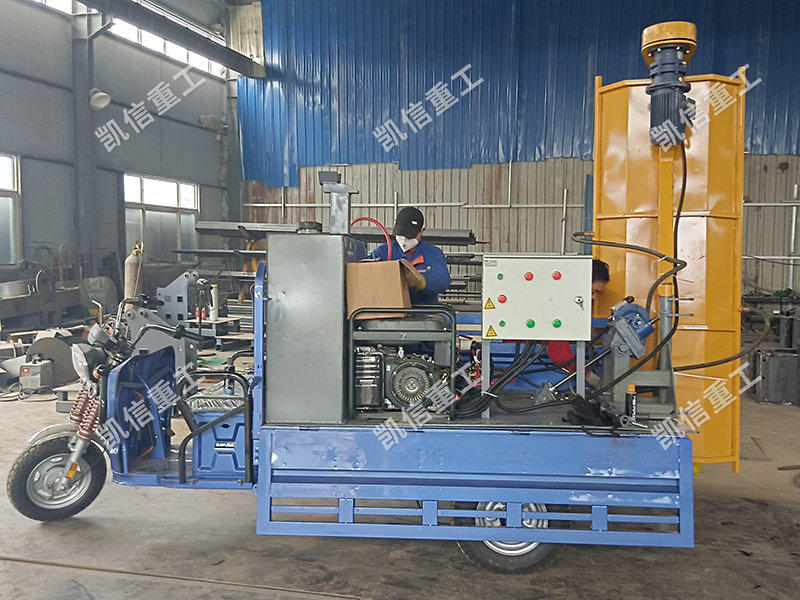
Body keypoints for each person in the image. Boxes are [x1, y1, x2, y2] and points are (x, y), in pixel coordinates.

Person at [545, 258, 610, 386]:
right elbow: (559, 354)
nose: (594, 297)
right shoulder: (557, 305)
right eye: (593, 291)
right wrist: (588, 376)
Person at [369, 207, 451, 305]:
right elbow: (368, 276)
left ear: (421, 232)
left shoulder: (433, 254)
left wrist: (420, 281)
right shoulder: (382, 252)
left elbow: (443, 281)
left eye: (409, 236)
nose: (404, 239)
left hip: (424, 312)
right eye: (401, 234)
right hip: (390, 310)